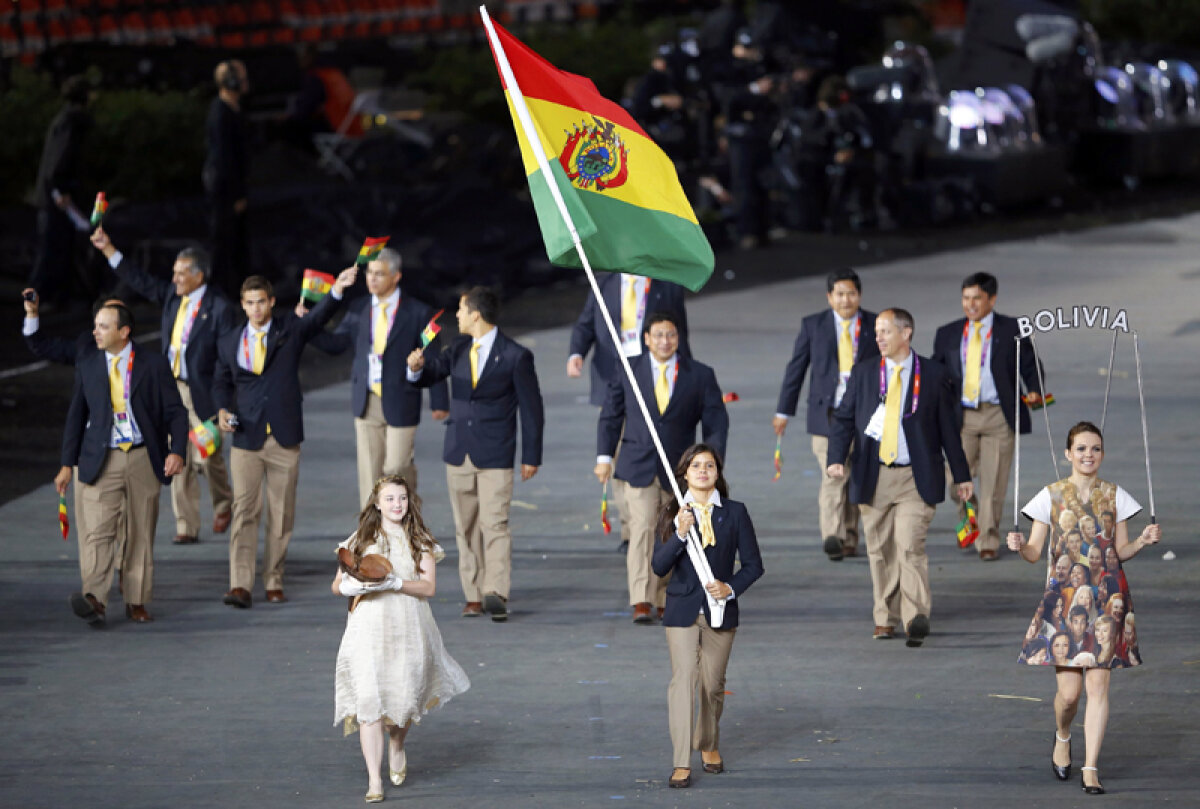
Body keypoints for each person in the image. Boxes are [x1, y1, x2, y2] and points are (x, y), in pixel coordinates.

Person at [1007, 420, 1160, 794]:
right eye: (1081, 449)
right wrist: (1020, 546)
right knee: (1070, 695)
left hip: (1108, 599)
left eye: (1095, 449)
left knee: (1099, 685)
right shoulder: (1050, 495)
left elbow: (1119, 551)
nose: (1088, 455)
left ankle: (1091, 767)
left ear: (1102, 454)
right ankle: (1062, 734)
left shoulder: (1115, 495)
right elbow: (1034, 553)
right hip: (1063, 599)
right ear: (1068, 454)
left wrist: (1141, 541)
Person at [827, 308, 972, 646]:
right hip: (873, 474)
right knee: (880, 550)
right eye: (876, 332)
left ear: (906, 333)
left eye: (885, 331)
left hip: (914, 477)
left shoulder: (934, 375)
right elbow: (845, 419)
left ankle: (916, 615)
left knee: (909, 545)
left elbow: (949, 430)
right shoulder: (863, 373)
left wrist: (961, 475)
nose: (878, 338)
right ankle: (885, 617)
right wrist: (836, 459)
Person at [213, 268, 356, 608]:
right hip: (246, 436)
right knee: (245, 510)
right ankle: (240, 585)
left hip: (284, 436)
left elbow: (320, 316)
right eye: (249, 303)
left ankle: (273, 580)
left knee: (281, 512)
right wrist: (220, 409)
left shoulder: (290, 329)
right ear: (243, 306)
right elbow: (220, 381)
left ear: (272, 302)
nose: (256, 308)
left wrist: (336, 290)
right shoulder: (229, 340)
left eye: (261, 301)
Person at [91, 226, 237, 545]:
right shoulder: (173, 296)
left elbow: (227, 360)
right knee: (177, 452)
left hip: (204, 392)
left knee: (207, 454)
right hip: (172, 389)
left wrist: (227, 402)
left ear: (199, 276)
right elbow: (139, 279)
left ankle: (224, 501)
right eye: (173, 272)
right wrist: (108, 249)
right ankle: (186, 524)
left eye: (181, 273)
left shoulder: (221, 308)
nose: (175, 279)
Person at [406, 287, 544, 622]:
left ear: (476, 314)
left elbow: (532, 409)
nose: (457, 315)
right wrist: (414, 368)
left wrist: (531, 455)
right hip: (459, 451)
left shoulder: (515, 355)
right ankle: (473, 594)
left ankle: (495, 591)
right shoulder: (457, 349)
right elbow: (430, 374)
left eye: (461, 309)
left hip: (496, 452)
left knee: (494, 523)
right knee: (465, 527)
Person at [332, 475, 470, 803]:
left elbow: (429, 587)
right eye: (390, 499)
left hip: (408, 628)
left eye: (402, 498)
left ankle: (397, 743)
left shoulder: (418, 539)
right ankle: (374, 781)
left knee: (405, 700)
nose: (397, 505)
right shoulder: (361, 539)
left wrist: (396, 583)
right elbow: (338, 584)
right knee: (369, 703)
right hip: (368, 630)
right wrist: (353, 587)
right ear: (377, 503)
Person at [55, 302, 188, 625]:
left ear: (123, 332)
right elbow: (77, 416)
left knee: (140, 530)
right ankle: (95, 599)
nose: (95, 332)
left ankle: (136, 600)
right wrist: (65, 464)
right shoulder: (88, 363)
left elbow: (176, 412)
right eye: (96, 325)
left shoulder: (153, 364)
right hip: (101, 457)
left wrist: (177, 451)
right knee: (98, 531)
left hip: (144, 455)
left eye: (103, 326)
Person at [596, 312, 729, 623]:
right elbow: (611, 416)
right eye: (658, 336)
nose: (665, 341)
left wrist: (712, 462)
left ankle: (664, 596)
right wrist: (604, 457)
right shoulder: (628, 369)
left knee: (672, 534)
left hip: (680, 470)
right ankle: (641, 598)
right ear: (647, 339)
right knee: (641, 529)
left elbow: (716, 422)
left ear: (678, 338)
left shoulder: (700, 375)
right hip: (637, 465)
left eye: (670, 335)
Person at [651, 444, 763, 788]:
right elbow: (659, 566)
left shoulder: (735, 512)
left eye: (709, 465)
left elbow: (754, 565)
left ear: (718, 473)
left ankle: (709, 742)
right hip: (682, 609)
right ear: (684, 473)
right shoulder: (672, 512)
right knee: (682, 681)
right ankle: (681, 760)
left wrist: (729, 588)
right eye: (696, 465)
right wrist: (681, 533)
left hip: (720, 611)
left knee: (712, 686)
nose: (702, 471)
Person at [305, 247, 449, 504]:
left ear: (396, 277)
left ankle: (408, 512)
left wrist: (439, 400)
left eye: (379, 274)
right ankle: (372, 535)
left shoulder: (417, 312)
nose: (371, 279)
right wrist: (308, 328)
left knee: (396, 467)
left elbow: (433, 357)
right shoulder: (359, 307)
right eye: (369, 273)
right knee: (370, 474)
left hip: (401, 397)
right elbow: (337, 344)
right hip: (367, 398)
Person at [568, 271, 689, 554]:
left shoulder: (665, 283)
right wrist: (576, 354)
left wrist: (689, 376)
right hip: (613, 376)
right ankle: (629, 527)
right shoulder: (604, 283)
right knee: (620, 458)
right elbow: (586, 323)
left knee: (653, 449)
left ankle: (661, 522)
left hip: (652, 374)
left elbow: (679, 331)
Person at [932, 272, 1043, 561]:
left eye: (977, 298)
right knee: (956, 482)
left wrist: (1034, 389)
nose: (970, 304)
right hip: (962, 417)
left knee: (993, 483)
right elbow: (936, 373)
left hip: (998, 415)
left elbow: (1030, 366)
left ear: (992, 299)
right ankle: (969, 525)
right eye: (966, 298)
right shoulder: (948, 332)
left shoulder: (1012, 329)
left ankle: (987, 539)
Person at [773, 268, 879, 561]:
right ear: (830, 297)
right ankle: (832, 534)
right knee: (833, 473)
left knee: (857, 475)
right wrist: (783, 411)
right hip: (826, 414)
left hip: (864, 413)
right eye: (840, 294)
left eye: (851, 294)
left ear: (859, 296)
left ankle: (849, 536)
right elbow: (796, 369)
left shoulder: (875, 324)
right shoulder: (813, 325)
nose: (846, 300)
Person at [29, 75, 92, 308]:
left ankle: (56, 297)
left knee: (57, 249)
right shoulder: (72, 122)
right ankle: (38, 299)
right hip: (58, 198)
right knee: (51, 250)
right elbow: (60, 158)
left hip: (54, 196)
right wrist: (60, 188)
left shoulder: (64, 120)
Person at [203, 60, 250, 296]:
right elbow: (224, 158)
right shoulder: (221, 113)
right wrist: (236, 195)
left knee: (235, 244)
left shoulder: (234, 109)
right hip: (225, 192)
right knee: (223, 243)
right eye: (241, 78)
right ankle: (221, 293)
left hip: (233, 189)